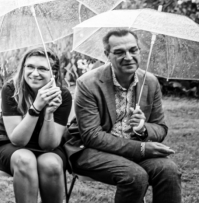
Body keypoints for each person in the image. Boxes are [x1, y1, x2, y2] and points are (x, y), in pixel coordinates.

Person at [65, 30, 181, 203]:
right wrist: (141, 148)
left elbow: (160, 128)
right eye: (119, 52)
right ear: (107, 55)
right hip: (90, 151)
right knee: (134, 176)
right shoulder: (88, 84)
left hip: (132, 152)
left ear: (139, 51)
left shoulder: (150, 82)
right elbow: (91, 136)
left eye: (133, 50)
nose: (128, 57)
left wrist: (142, 128)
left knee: (169, 170)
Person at [0, 48, 71, 203]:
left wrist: (50, 112)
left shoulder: (63, 95)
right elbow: (18, 141)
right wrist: (37, 107)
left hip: (47, 148)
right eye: (30, 67)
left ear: (54, 73)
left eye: (42, 68)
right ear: (23, 68)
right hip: (8, 144)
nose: (35, 73)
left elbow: (48, 145)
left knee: (51, 163)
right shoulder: (12, 89)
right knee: (25, 159)